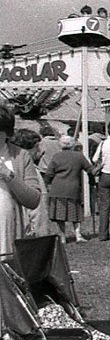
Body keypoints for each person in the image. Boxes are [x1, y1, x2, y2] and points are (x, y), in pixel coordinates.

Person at [0, 109, 42, 258]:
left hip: (9, 240)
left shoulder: (20, 155)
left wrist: (9, 175)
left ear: (6, 133)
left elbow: (34, 200)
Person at [43, 135, 92, 243]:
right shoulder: (79, 156)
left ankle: (62, 237)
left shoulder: (56, 156)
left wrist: (47, 184)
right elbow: (90, 169)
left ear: (61, 144)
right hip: (73, 188)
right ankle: (78, 235)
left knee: (59, 215)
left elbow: (49, 173)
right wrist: (92, 181)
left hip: (58, 188)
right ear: (72, 144)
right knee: (75, 213)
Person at [9, 129, 52, 237]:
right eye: (37, 147)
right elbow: (39, 212)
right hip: (27, 237)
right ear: (25, 150)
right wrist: (43, 237)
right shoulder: (33, 173)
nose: (41, 151)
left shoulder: (8, 167)